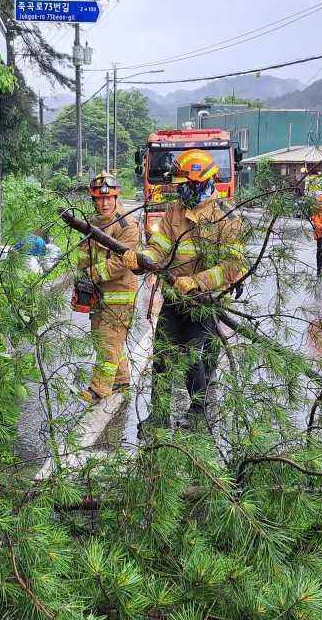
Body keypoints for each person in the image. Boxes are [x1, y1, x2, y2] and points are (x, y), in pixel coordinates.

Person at [121, 149, 247, 431]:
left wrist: (198, 281)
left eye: (184, 184)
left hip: (203, 301)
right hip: (173, 297)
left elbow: (232, 265)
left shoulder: (226, 218)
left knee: (192, 356)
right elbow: (159, 250)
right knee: (162, 355)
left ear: (201, 182)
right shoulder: (174, 211)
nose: (180, 190)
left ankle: (198, 411)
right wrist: (140, 260)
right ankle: (159, 415)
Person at [75, 171, 142, 405]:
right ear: (93, 200)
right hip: (97, 294)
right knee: (102, 339)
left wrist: (94, 273)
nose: (104, 203)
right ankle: (121, 378)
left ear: (116, 197)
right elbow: (84, 254)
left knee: (107, 341)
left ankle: (98, 389)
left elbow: (122, 263)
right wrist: (81, 279)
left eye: (109, 198)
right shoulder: (91, 224)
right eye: (99, 199)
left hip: (120, 294)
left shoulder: (128, 225)